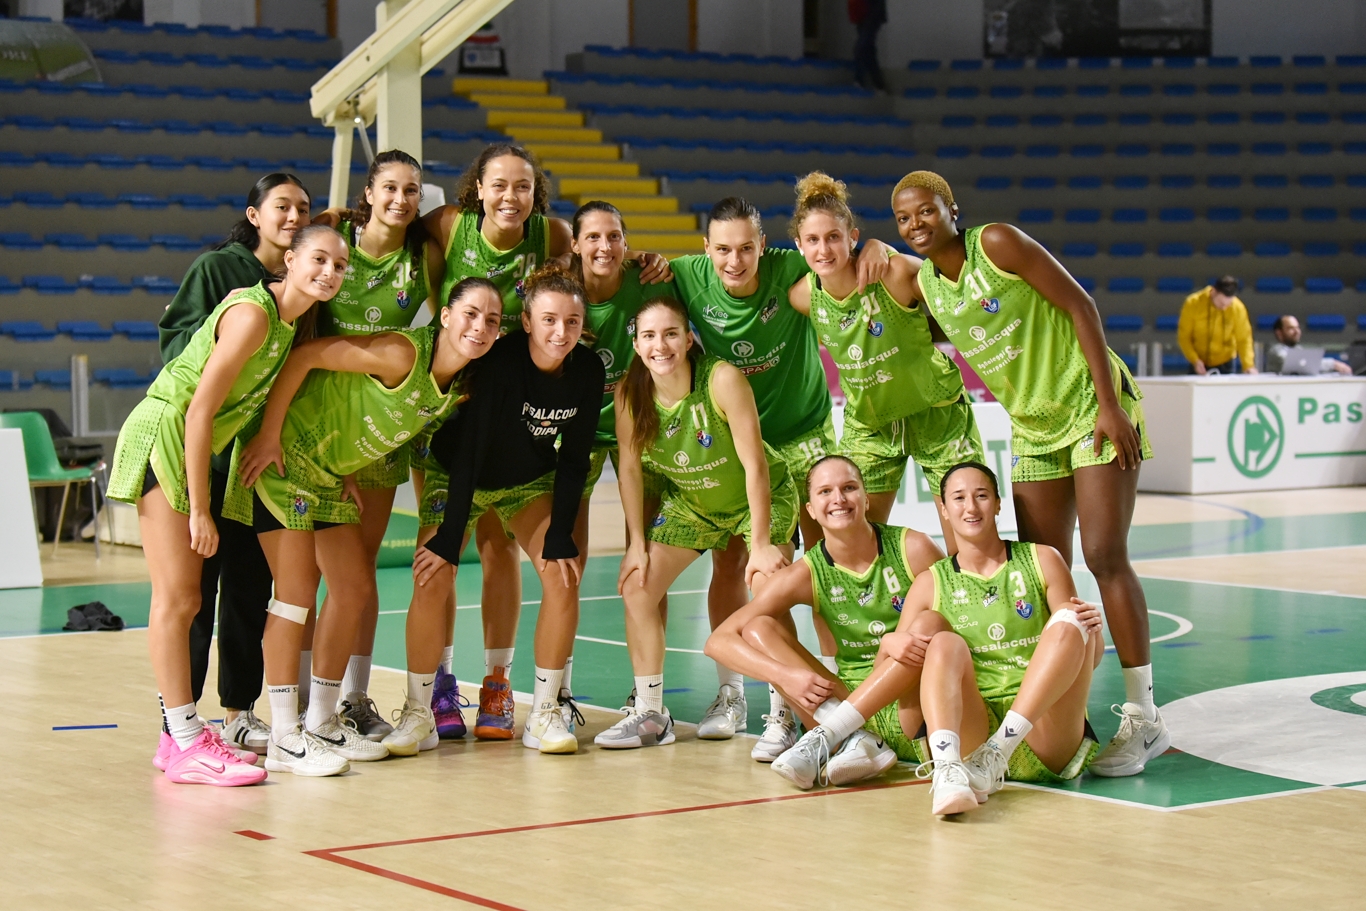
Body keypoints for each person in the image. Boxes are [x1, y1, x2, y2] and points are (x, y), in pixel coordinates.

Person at [891, 171, 1167, 777]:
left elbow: (1080, 305)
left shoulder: (997, 243)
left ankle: (1145, 717)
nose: (915, 225)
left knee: (1103, 554)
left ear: (951, 208)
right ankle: (1054, 711)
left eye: (926, 211)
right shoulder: (929, 287)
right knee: (1043, 565)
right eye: (904, 219)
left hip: (1090, 406)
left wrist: (1110, 404)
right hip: (1033, 427)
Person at [421, 145, 671, 741]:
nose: (511, 196)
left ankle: (523, 692)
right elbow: (396, 223)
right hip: (462, 407)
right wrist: (344, 218)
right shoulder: (449, 227)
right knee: (447, 559)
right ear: (477, 188)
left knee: (538, 560)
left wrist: (641, 256)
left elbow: (594, 251)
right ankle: (434, 689)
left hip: (534, 419)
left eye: (524, 185)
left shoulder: (553, 237)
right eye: (499, 184)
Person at [106, 222, 348, 786]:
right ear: (290, 259)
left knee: (187, 597)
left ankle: (179, 737)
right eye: (318, 259)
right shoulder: (254, 315)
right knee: (178, 598)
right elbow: (198, 410)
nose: (329, 272)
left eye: (339, 266)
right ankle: (184, 741)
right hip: (165, 431)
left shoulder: (290, 323)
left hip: (189, 440)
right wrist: (199, 508)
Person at [231, 274, 501, 769]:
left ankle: (322, 721)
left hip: (330, 473)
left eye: (492, 320)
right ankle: (285, 735)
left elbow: (355, 406)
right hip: (286, 458)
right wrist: (268, 435)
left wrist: (349, 466)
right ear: (445, 316)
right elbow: (305, 356)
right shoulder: (401, 353)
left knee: (353, 590)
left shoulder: (460, 382)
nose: (480, 327)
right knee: (294, 598)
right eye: (470, 314)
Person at [670, 197, 893, 750]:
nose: (735, 260)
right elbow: (630, 278)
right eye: (723, 249)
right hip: (744, 448)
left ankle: (849, 693)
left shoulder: (792, 266)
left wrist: (877, 245)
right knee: (744, 568)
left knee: (828, 566)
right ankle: (763, 704)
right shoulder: (686, 276)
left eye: (746, 248)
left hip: (807, 437)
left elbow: (843, 257)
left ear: (764, 246)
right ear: (705, 250)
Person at [413, 264, 605, 755]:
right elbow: (471, 448)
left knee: (563, 575)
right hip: (458, 471)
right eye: (549, 320)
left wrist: (561, 533)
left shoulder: (587, 369)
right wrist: (448, 536)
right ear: (527, 322)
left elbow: (575, 457)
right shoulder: (501, 361)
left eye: (572, 322)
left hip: (527, 481)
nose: (560, 332)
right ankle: (418, 713)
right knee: (432, 574)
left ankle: (543, 711)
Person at [596, 296, 799, 750]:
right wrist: (636, 543)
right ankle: (653, 713)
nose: (660, 345)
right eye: (649, 336)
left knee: (767, 585)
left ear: (689, 339)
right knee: (638, 586)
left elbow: (755, 465)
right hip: (693, 501)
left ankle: (783, 714)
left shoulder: (722, 379)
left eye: (671, 334)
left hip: (757, 497)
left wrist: (761, 542)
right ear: (636, 344)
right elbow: (629, 469)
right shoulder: (631, 393)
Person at [155, 171, 312, 755]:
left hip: (252, 460)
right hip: (203, 449)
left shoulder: (304, 288)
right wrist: (230, 344)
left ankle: (240, 712)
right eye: (282, 205)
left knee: (250, 585)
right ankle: (180, 718)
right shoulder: (220, 273)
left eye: (303, 208)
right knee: (194, 591)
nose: (293, 216)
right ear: (254, 215)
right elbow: (178, 349)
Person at [306, 149, 442, 743]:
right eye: (390, 187)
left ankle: (353, 699)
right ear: (368, 192)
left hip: (381, 432)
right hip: (322, 431)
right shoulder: (335, 243)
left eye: (411, 190)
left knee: (359, 576)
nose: (401, 200)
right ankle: (299, 706)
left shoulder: (424, 257)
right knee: (306, 581)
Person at [705, 455, 943, 788]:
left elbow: (957, 625)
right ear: (811, 510)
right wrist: (784, 676)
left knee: (930, 621)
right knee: (759, 627)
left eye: (849, 488)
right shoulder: (808, 571)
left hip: (911, 704)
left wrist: (890, 645)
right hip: (846, 701)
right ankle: (855, 740)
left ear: (866, 498)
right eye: (825, 492)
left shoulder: (912, 547)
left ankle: (834, 736)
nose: (839, 499)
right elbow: (717, 641)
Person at [787, 171, 982, 544]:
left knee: (968, 542)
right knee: (851, 542)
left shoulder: (894, 273)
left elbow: (957, 295)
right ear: (799, 244)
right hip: (870, 426)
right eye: (813, 240)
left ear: (853, 237)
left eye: (833, 237)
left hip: (938, 415)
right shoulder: (802, 297)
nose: (824, 250)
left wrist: (886, 248)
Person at [1177, 275, 1258, 375]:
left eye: (1228, 304)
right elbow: (1184, 337)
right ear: (1213, 291)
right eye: (1221, 303)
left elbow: (1244, 339)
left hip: (1226, 363)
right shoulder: (1193, 303)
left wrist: (1248, 365)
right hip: (1199, 362)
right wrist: (1194, 359)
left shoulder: (1238, 308)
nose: (1224, 308)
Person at [1265, 315, 1352, 375]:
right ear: (1279, 333)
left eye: (1297, 328)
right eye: (1291, 328)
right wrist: (1333, 364)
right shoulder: (1275, 350)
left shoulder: (1298, 349)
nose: (1296, 332)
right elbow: (1300, 364)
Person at [848, 0, 888, 92]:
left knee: (861, 48)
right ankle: (879, 84)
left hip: (869, 14)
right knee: (868, 51)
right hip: (865, 15)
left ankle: (859, 80)